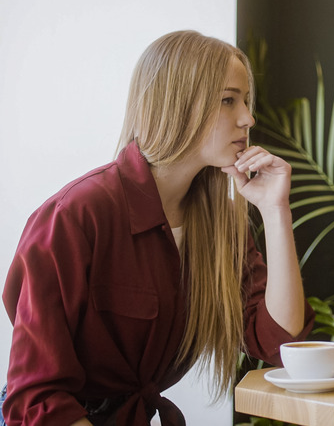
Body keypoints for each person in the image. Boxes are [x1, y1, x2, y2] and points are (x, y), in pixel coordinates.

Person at [1, 30, 315, 426]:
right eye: (228, 100)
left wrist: (276, 211)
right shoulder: (75, 216)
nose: (248, 118)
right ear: (180, 104)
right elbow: (37, 399)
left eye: (246, 101)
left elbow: (281, 343)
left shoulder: (221, 227)